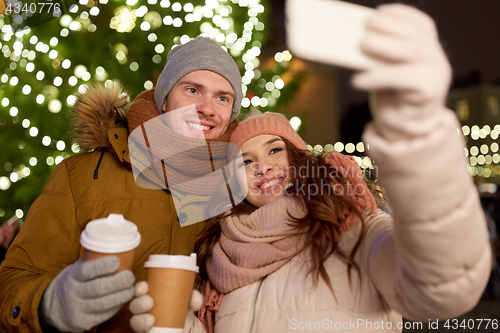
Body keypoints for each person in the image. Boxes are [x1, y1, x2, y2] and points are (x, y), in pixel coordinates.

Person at [129, 4, 492, 333]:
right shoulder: (221, 258)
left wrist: (421, 142)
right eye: (246, 160)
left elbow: (441, 285)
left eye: (275, 150)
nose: (264, 167)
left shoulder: (351, 229)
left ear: (300, 160)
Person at [0, 37, 243, 333]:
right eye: (192, 90)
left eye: (223, 98)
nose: (207, 108)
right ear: (163, 99)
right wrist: (49, 304)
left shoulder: (241, 190)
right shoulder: (82, 176)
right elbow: (12, 283)